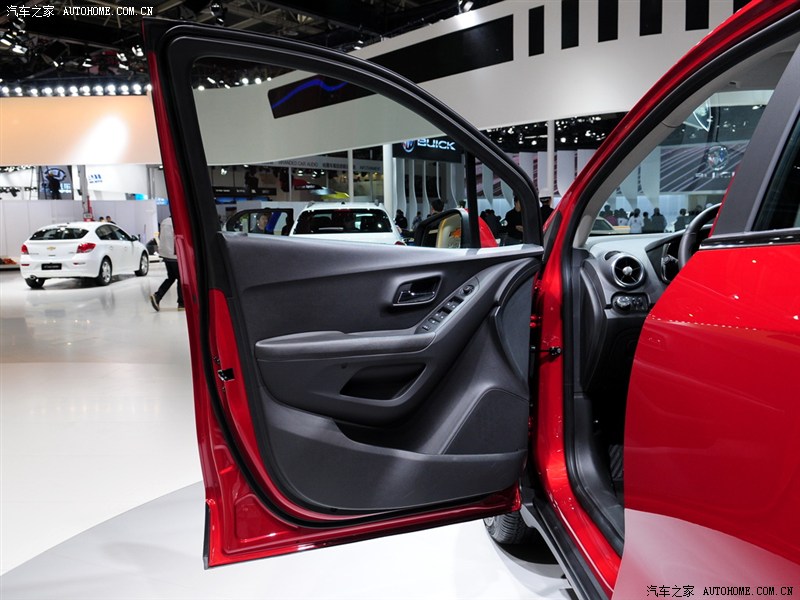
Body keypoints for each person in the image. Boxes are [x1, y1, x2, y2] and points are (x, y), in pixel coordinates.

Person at [150, 215, 183, 311]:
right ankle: (181, 303)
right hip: (175, 255)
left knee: (171, 277)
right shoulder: (177, 222)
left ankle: (157, 296)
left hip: (166, 254)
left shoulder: (164, 221)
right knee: (180, 279)